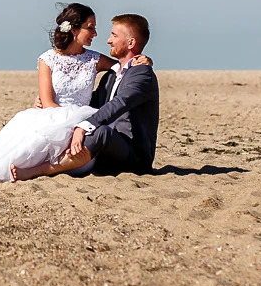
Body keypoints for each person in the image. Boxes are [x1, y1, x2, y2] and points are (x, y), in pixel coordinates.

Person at [0, 3, 148, 187]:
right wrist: (69, 120)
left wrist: (146, 60)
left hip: (80, 119)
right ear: (74, 30)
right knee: (7, 148)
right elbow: (48, 101)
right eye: (90, 27)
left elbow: (123, 66)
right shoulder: (47, 59)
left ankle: (16, 169)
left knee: (29, 151)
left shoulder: (94, 59)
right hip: (52, 115)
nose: (96, 34)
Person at [10, 13, 158, 181]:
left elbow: (120, 103)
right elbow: (91, 102)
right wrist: (52, 102)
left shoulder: (142, 74)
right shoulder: (111, 75)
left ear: (131, 42)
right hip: (104, 155)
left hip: (133, 157)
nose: (108, 40)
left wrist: (84, 127)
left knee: (100, 131)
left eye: (114, 36)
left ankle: (42, 170)